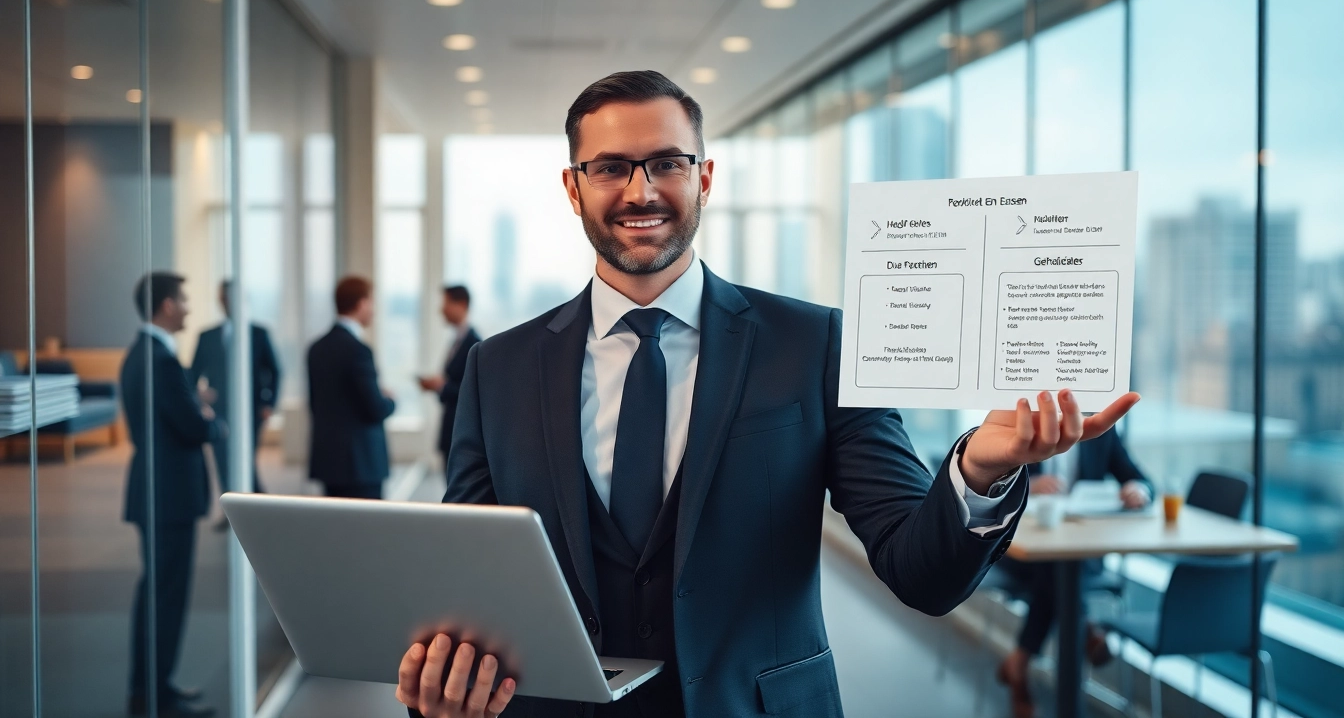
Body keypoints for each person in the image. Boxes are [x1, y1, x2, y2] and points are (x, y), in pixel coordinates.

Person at [394, 71, 1140, 718]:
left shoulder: (816, 345)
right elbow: (472, 582)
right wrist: (443, 679)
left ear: (706, 178)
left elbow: (921, 572)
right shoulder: (500, 367)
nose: (641, 190)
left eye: (667, 163)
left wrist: (980, 467)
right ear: (573, 186)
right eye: (611, 167)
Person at [994, 427, 1152, 718]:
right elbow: (989, 482)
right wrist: (1028, 482)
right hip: (1018, 549)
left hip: (1078, 554)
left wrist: (1137, 490)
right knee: (1056, 572)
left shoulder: (1101, 432)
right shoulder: (1024, 424)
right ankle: (1086, 624)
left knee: (1058, 572)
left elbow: (1138, 477)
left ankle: (1020, 660)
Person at [121, 272, 221, 718]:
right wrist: (205, 410)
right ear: (165, 306)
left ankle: (152, 689)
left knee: (156, 593)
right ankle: (155, 695)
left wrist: (192, 403)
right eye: (183, 299)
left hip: (158, 492)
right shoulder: (160, 360)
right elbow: (195, 426)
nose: (187, 308)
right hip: (168, 496)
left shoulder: (141, 355)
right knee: (165, 596)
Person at [189, 280, 281, 507]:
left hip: (252, 410)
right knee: (222, 460)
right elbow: (193, 374)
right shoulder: (207, 336)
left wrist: (269, 403)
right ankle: (233, 509)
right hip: (219, 410)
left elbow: (275, 370)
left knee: (245, 460)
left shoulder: (259, 333)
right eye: (223, 298)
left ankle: (257, 507)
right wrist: (199, 398)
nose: (226, 302)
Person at [307, 276, 396, 499]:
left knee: (334, 530)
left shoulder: (316, 348)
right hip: (361, 465)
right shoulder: (358, 350)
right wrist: (390, 400)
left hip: (329, 461)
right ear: (361, 303)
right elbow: (375, 408)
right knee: (366, 531)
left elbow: (316, 404)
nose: (374, 310)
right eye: (372, 302)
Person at [418, 285, 481, 477]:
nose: (441, 310)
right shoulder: (457, 341)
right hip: (451, 428)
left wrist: (442, 387)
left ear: (461, 304)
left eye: (445, 303)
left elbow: (473, 392)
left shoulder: (474, 344)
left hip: (461, 432)